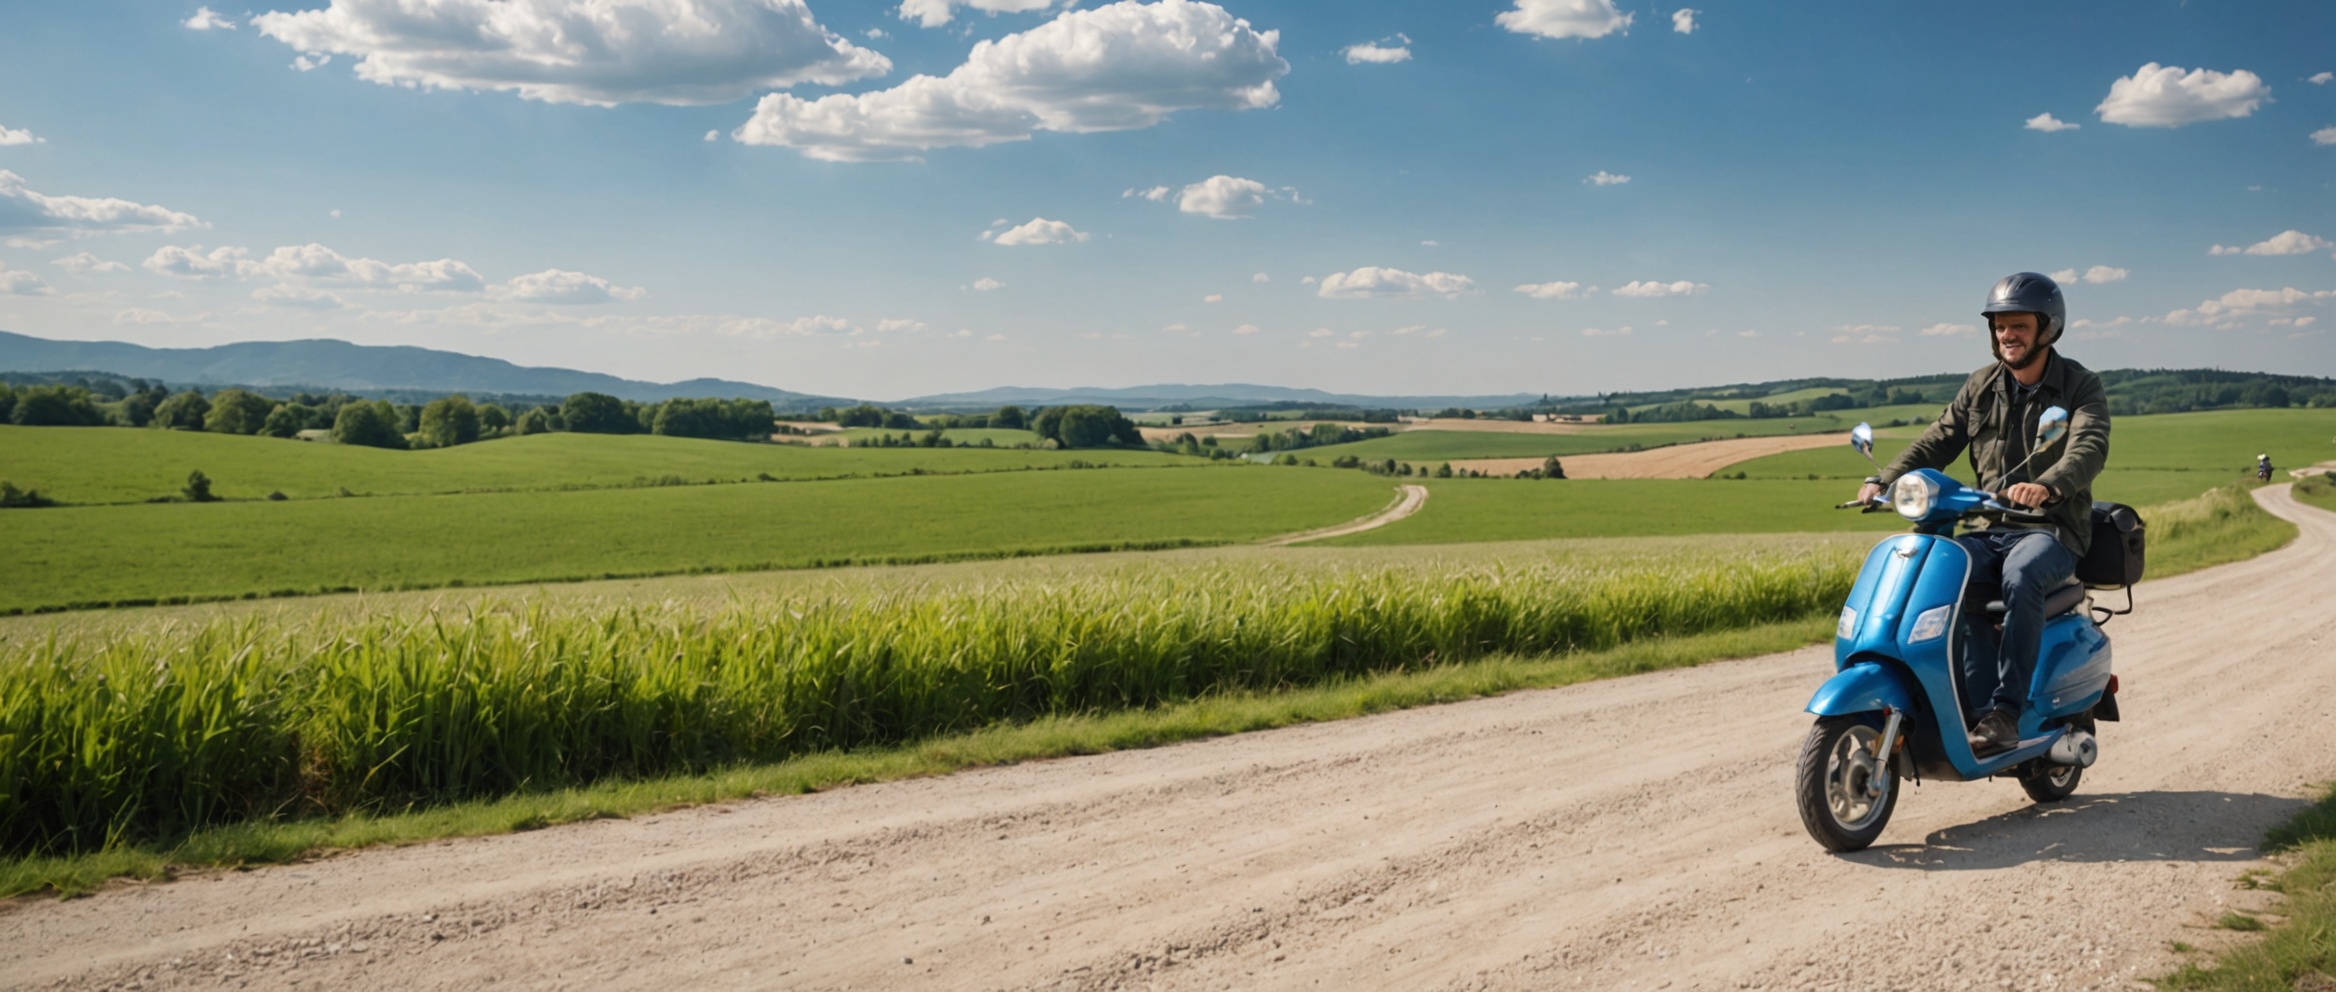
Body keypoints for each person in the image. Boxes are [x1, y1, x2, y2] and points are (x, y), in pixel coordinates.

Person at [1856, 272, 2110, 756]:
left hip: (2052, 531)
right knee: (1939, 571)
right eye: (1999, 327)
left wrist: (2048, 486)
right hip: (1989, 526)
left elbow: (2089, 446)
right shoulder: (1982, 385)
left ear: (2047, 329)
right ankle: (1957, 701)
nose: (2007, 336)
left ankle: (2005, 713)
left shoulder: (2079, 386)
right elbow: (1939, 438)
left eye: (2018, 326)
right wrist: (1884, 479)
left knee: (2021, 574)